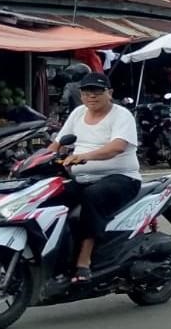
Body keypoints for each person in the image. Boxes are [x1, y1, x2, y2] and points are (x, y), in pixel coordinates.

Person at [51, 73, 140, 283]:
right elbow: (57, 144)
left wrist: (84, 156)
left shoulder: (121, 115)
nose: (92, 96)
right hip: (82, 178)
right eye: (87, 91)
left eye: (98, 91)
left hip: (121, 178)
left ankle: (84, 261)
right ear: (81, 95)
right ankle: (57, 257)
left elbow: (117, 147)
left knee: (92, 197)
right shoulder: (77, 113)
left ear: (109, 93)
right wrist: (34, 161)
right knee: (50, 197)